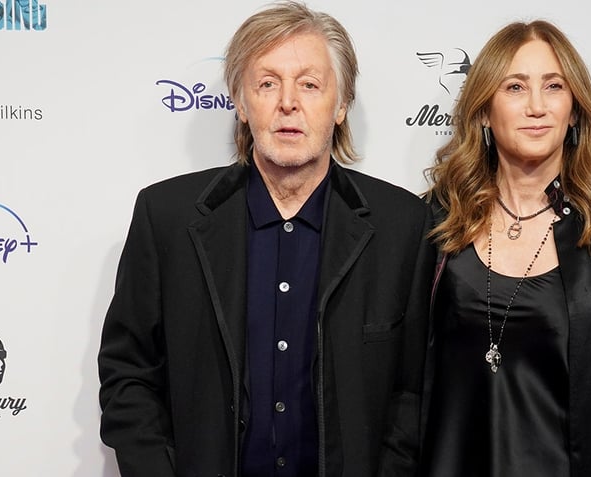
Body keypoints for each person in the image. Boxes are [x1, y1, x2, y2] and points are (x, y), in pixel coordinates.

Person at [97, 2, 434, 477]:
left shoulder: (403, 226)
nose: (288, 103)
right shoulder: (165, 217)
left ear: (341, 105)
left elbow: (413, 391)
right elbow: (128, 374)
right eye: (267, 83)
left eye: (310, 84)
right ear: (240, 100)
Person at [420, 20, 591, 476]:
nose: (536, 107)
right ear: (484, 110)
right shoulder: (432, 227)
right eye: (514, 87)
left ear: (573, 111)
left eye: (554, 87)